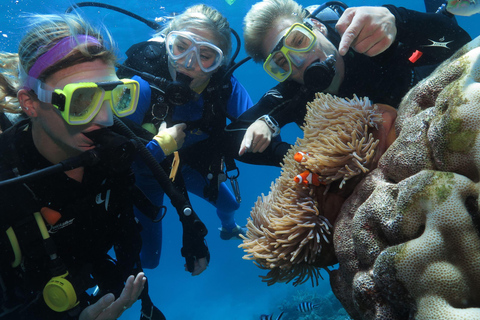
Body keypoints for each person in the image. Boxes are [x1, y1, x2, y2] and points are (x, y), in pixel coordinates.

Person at [0, 13, 152, 320]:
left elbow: (125, 225)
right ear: (30, 103)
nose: (105, 119)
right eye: (82, 100)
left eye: (114, 97)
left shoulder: (114, 149)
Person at [226, 0, 471, 158]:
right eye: (281, 62)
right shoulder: (293, 92)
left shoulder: (365, 38)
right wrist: (291, 151)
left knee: (446, 16)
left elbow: (460, 43)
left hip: (425, 91)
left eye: (299, 41)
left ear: (317, 27)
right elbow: (232, 137)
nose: (298, 62)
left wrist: (398, 19)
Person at [117, 4, 254, 271]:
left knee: (231, 203)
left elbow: (253, 122)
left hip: (190, 164)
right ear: (168, 42)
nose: (189, 63)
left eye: (206, 56)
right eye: (180, 47)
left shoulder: (224, 86)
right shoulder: (141, 85)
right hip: (146, 174)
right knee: (150, 259)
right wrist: (161, 146)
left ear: (220, 63)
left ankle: (228, 228)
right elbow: (118, 156)